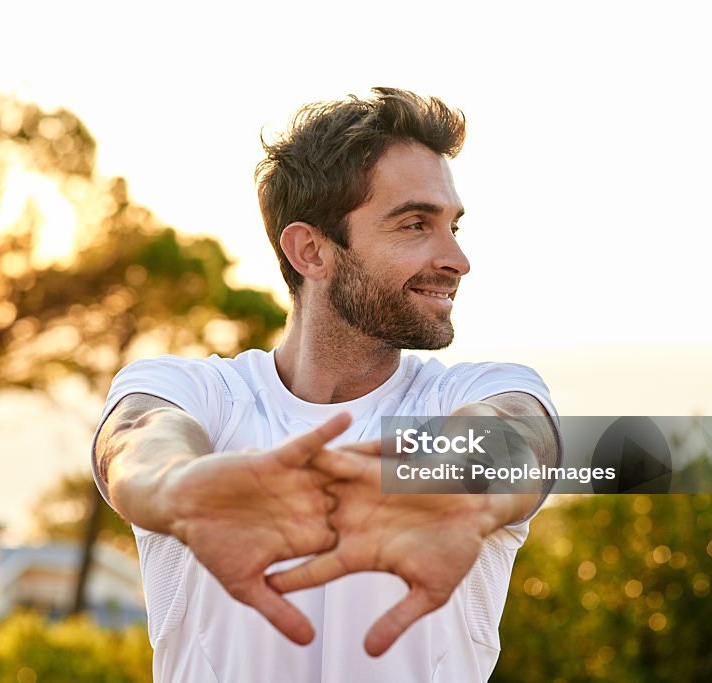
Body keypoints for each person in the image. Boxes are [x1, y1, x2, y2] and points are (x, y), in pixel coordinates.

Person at [91, 87, 560, 682]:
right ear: (311, 250)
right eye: (416, 224)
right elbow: (138, 440)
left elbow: (521, 434)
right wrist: (181, 488)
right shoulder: (195, 392)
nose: (456, 258)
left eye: (453, 225)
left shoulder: (470, 394)